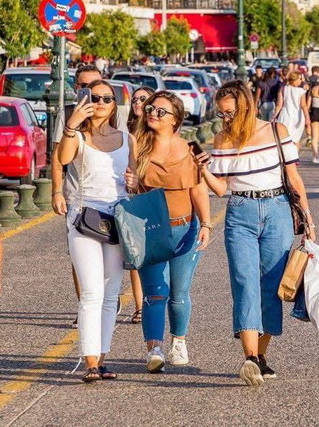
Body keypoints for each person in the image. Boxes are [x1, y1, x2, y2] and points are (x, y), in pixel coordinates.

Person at [194, 81, 316, 386]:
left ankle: (260, 356)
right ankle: (249, 358)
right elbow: (220, 188)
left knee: (272, 286)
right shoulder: (223, 139)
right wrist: (203, 170)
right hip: (240, 212)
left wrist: (308, 219)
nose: (226, 119)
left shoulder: (276, 131)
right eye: (222, 114)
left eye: (231, 113)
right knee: (244, 282)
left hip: (277, 209)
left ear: (247, 106)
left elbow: (294, 178)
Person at [56, 79, 137, 382]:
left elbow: (134, 179)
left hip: (118, 219)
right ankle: (90, 361)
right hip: (84, 218)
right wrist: (72, 123)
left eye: (107, 98)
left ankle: (102, 358)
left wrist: (133, 182)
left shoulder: (127, 139)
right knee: (91, 291)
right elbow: (63, 159)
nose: (100, 103)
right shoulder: (77, 135)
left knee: (111, 292)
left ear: (115, 105)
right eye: (95, 98)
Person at [134, 91, 212, 373]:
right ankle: (154, 349)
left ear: (175, 119)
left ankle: (178, 340)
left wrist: (206, 223)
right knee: (155, 292)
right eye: (150, 108)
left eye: (161, 111)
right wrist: (131, 182)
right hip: (150, 231)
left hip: (185, 229)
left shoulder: (190, 149)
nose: (153, 113)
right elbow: (129, 191)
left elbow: (198, 190)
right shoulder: (137, 148)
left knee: (179, 292)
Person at [52, 64, 102, 327]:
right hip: (76, 196)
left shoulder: (114, 112)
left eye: (95, 85)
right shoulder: (68, 114)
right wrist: (56, 191)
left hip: (108, 196)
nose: (91, 92)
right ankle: (84, 306)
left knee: (112, 253)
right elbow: (57, 157)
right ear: (76, 87)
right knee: (78, 255)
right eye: (84, 86)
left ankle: (106, 300)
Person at [125, 86, 156, 325]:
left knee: (153, 256)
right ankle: (139, 306)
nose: (137, 103)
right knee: (134, 257)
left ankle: (155, 301)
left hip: (151, 197)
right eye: (135, 99)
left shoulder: (156, 133)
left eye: (143, 99)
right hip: (129, 197)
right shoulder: (124, 133)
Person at [274, 71, 311, 146]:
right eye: (300, 79)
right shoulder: (301, 91)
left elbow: (279, 105)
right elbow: (303, 105)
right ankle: (295, 153)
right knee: (295, 140)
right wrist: (307, 118)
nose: (301, 81)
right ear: (295, 79)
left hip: (285, 116)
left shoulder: (283, 89)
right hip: (297, 116)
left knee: (284, 140)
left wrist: (274, 116)